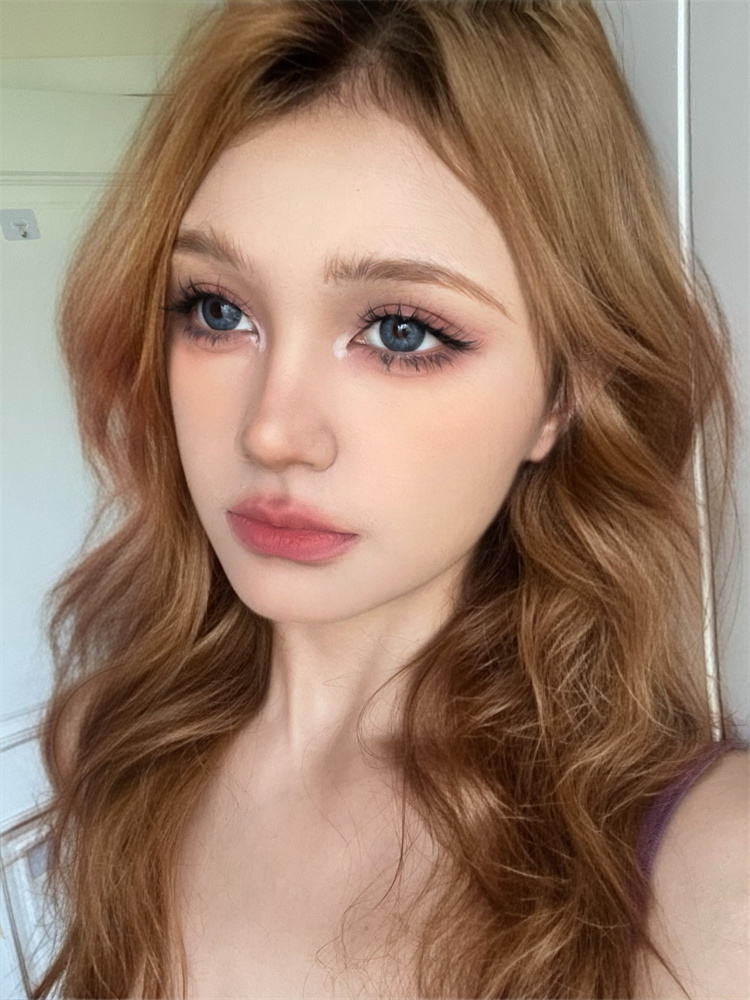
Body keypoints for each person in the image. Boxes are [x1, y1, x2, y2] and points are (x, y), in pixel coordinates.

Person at [28, 1, 747, 998]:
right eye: (217, 310)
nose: (272, 431)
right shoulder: (118, 745)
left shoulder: (707, 873)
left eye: (401, 332)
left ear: (562, 395)